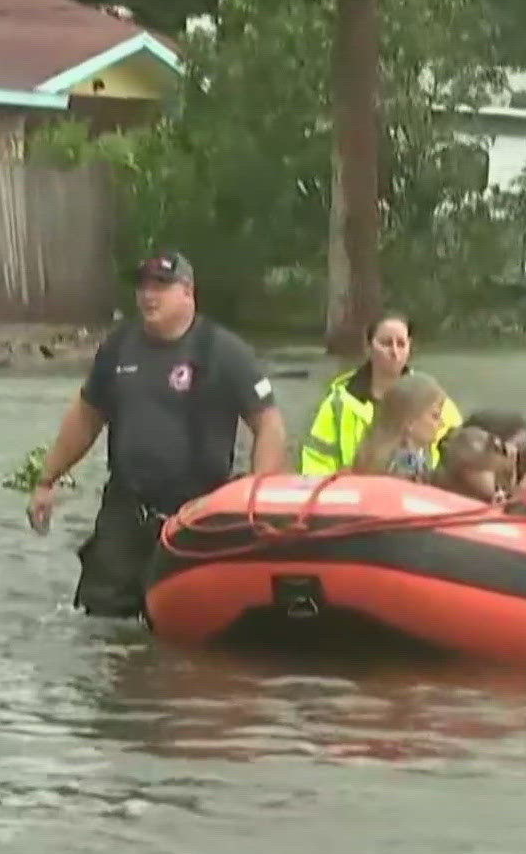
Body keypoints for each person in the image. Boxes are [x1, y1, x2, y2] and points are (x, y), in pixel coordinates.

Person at [27, 251, 286, 618]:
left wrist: (257, 500)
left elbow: (269, 425)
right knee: (100, 622)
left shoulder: (222, 350)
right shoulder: (119, 347)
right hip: (127, 510)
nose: (149, 295)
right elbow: (86, 417)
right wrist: (47, 479)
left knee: (190, 621)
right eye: (143, 286)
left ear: (188, 292)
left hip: (197, 514)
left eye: (161, 286)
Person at [300, 313, 462, 473]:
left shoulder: (433, 398)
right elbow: (316, 463)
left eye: (401, 344)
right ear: (369, 347)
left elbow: (461, 457)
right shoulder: (338, 404)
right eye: (386, 343)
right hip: (352, 493)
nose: (394, 352)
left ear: (409, 348)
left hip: (423, 494)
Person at [349, 372, 450, 480]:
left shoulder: (373, 455)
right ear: (410, 421)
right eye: (435, 416)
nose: (441, 423)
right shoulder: (405, 467)